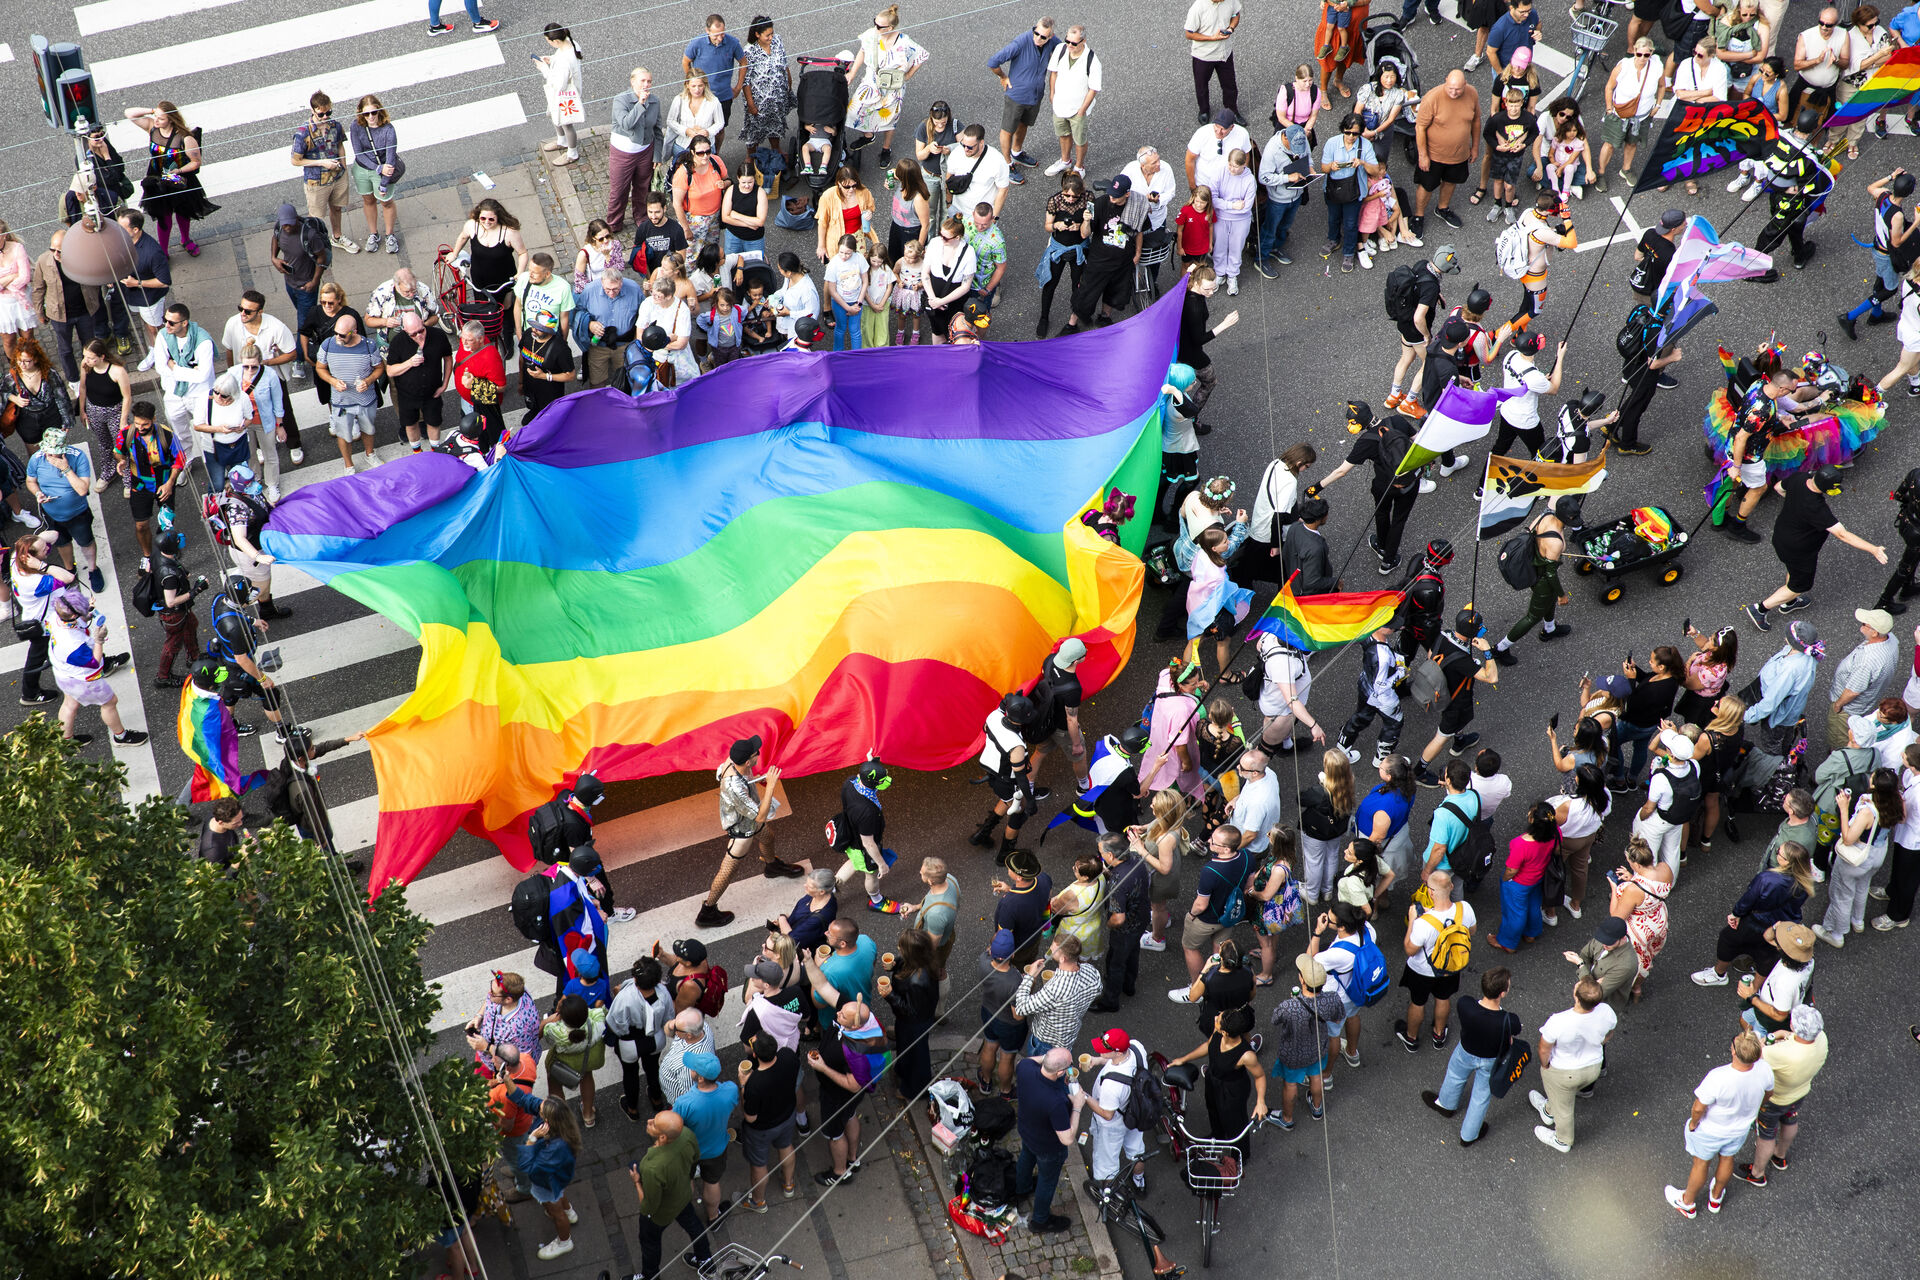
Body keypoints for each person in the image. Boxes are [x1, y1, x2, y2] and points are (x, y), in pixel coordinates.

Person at [1666, 1032, 1774, 1218]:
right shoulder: (1764, 1069)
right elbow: (1768, 1094)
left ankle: (1687, 1203)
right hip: (1738, 1130)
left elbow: (1698, 1108)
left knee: (1701, 1164)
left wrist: (1693, 1123)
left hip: (1710, 1130)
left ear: (1734, 1051)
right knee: (1727, 1158)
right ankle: (1715, 1198)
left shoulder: (1718, 1077)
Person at [1421, 966, 1519, 1145]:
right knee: (1481, 1096)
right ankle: (1469, 1135)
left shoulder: (1465, 1004)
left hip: (1465, 1051)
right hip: (1491, 1059)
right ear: (1502, 993)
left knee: (1455, 1076)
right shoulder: (1509, 1020)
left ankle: (1446, 1105)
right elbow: (1514, 1032)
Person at [1737, 1005, 1828, 1187]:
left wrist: (1767, 1038)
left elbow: (1756, 1055)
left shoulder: (1780, 1053)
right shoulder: (1822, 1039)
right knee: (1790, 1120)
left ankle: (1757, 1173)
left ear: (1794, 1027)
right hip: (1799, 1093)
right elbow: (1796, 1040)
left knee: (1766, 1134)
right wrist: (1784, 1034)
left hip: (1774, 1100)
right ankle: (1780, 1155)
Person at [1528, 977, 1615, 1152]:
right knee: (1561, 1097)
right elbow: (1608, 1035)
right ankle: (1548, 1110)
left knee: (1565, 1109)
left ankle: (1563, 1140)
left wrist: (1545, 1065)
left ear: (1576, 997)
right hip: (1593, 1067)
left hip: (1564, 1072)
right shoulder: (1607, 1011)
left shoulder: (1558, 1021)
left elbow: (1544, 1048)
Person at [1397, 868, 1475, 1050]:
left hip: (1423, 970)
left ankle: (1411, 1038)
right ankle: (1439, 1034)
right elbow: (1471, 931)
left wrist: (1412, 920)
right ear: (1451, 886)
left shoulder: (1423, 923)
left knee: (1418, 1002)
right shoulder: (1465, 908)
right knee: (1443, 998)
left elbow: (1410, 950)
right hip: (1451, 965)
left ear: (1430, 892)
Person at [1012, 1047, 1087, 1233]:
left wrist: (1050, 1058)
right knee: (1047, 1180)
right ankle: (1040, 1220)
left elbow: (1030, 1061)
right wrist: (1077, 1106)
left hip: (1026, 1131)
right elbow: (1067, 1138)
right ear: (1060, 1073)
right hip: (1048, 1147)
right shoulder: (1056, 1101)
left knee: (1026, 1158)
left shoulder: (1025, 1068)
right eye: (1069, 1065)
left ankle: (1021, 1189)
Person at [629, 1111, 713, 1276]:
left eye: (654, 1124)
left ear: (662, 1138)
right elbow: (695, 1158)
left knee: (650, 1243)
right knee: (694, 1225)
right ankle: (705, 1261)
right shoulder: (687, 1134)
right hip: (682, 1196)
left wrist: (637, 1182)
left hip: (660, 1214)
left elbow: (649, 1207)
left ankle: (650, 1276)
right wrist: (688, 1180)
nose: (649, 1121)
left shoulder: (652, 1167)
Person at [1267, 953, 1344, 1130]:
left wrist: (1293, 1001)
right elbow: (1338, 1019)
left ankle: (1287, 1118)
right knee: (1316, 1076)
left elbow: (1275, 1019)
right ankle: (1317, 1108)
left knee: (1290, 1083)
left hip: (1293, 1053)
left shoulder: (1290, 1006)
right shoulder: (1332, 998)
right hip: (1318, 1048)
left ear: (1302, 980)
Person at [1841, 169, 1919, 339]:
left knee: (1881, 281)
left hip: (1877, 246)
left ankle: (1876, 315)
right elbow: (1896, 242)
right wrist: (1916, 223)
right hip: (1885, 254)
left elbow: (1871, 187)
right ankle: (1849, 317)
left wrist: (1890, 176)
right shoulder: (1897, 215)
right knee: (1889, 289)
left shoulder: (1883, 195)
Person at [736, 1032, 800, 1212]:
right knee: (786, 1146)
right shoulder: (788, 1056)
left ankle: (758, 1202)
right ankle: (788, 1184)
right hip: (787, 1116)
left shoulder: (754, 1083)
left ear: (755, 1055)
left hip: (762, 1129)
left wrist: (743, 1085)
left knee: (759, 1165)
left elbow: (750, 1117)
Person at [987, 18, 1059, 174]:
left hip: (1035, 96)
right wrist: (1003, 76)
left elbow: (1064, 50)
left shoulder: (1052, 42)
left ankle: (1017, 152)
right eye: (1036, 33)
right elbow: (993, 62)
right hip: (1016, 97)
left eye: (1043, 37)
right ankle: (1006, 163)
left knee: (1024, 124)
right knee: (1008, 130)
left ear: (1050, 37)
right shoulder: (1020, 43)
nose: (1038, 38)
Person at [1412, 72, 1480, 235]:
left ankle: (1442, 208)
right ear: (1445, 82)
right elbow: (1420, 128)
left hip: (1459, 154)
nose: (1454, 93)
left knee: (1451, 181)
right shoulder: (1432, 98)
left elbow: (1476, 121)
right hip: (1434, 155)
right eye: (1451, 88)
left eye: (1458, 89)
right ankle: (1418, 216)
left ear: (1465, 85)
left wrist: (1475, 147)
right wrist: (1423, 155)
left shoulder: (1472, 93)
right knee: (1427, 186)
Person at [315, 313, 383, 474]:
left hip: (365, 400)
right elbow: (320, 367)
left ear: (354, 332)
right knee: (343, 433)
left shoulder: (369, 346)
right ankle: (348, 465)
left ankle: (370, 454)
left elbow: (379, 368)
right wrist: (333, 381)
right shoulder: (327, 345)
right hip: (341, 402)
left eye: (342, 335)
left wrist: (368, 381)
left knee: (368, 429)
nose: (338, 337)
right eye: (336, 333)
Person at [1013, 934, 1103, 1054]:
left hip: (1046, 1043)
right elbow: (1098, 989)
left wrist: (1030, 976)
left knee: (1039, 1065)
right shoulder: (1090, 971)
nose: (1050, 949)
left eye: (1053, 949)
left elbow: (1021, 1008)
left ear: (1063, 959)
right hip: (1069, 1036)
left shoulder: (1055, 990)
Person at [606, 69, 664, 234]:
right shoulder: (621, 100)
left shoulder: (655, 101)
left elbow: (657, 130)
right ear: (633, 82)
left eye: (649, 81)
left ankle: (642, 217)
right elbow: (626, 124)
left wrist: (657, 155)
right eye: (642, 81)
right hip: (622, 153)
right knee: (619, 190)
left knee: (643, 187)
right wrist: (640, 104)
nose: (646, 84)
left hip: (645, 151)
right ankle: (614, 222)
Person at [1046, 25, 1101, 177]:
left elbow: (1094, 89)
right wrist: (1052, 94)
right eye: (1067, 41)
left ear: (1084, 41)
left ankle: (1079, 167)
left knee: (1079, 139)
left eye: (1074, 43)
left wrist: (1082, 110)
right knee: (1063, 134)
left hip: (1078, 108)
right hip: (1060, 105)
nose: (1069, 45)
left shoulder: (1092, 60)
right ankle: (1065, 161)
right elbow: (1054, 73)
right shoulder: (1060, 49)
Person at [1184, 0, 1244, 122]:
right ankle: (1204, 110)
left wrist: (1231, 28)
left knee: (1230, 85)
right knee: (1201, 86)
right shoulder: (1198, 7)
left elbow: (1236, 15)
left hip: (1224, 53)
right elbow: (1189, 34)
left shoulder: (1230, 1)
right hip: (1203, 55)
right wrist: (1212, 38)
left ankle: (1231, 111)